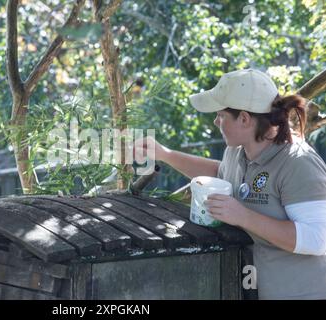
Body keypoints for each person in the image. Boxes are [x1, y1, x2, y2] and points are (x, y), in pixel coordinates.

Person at [134, 69, 326, 299]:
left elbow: (317, 239)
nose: (216, 122)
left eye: (221, 115)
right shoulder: (237, 151)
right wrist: (165, 154)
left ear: (244, 118)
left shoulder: (298, 163)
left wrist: (243, 216)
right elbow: (222, 173)